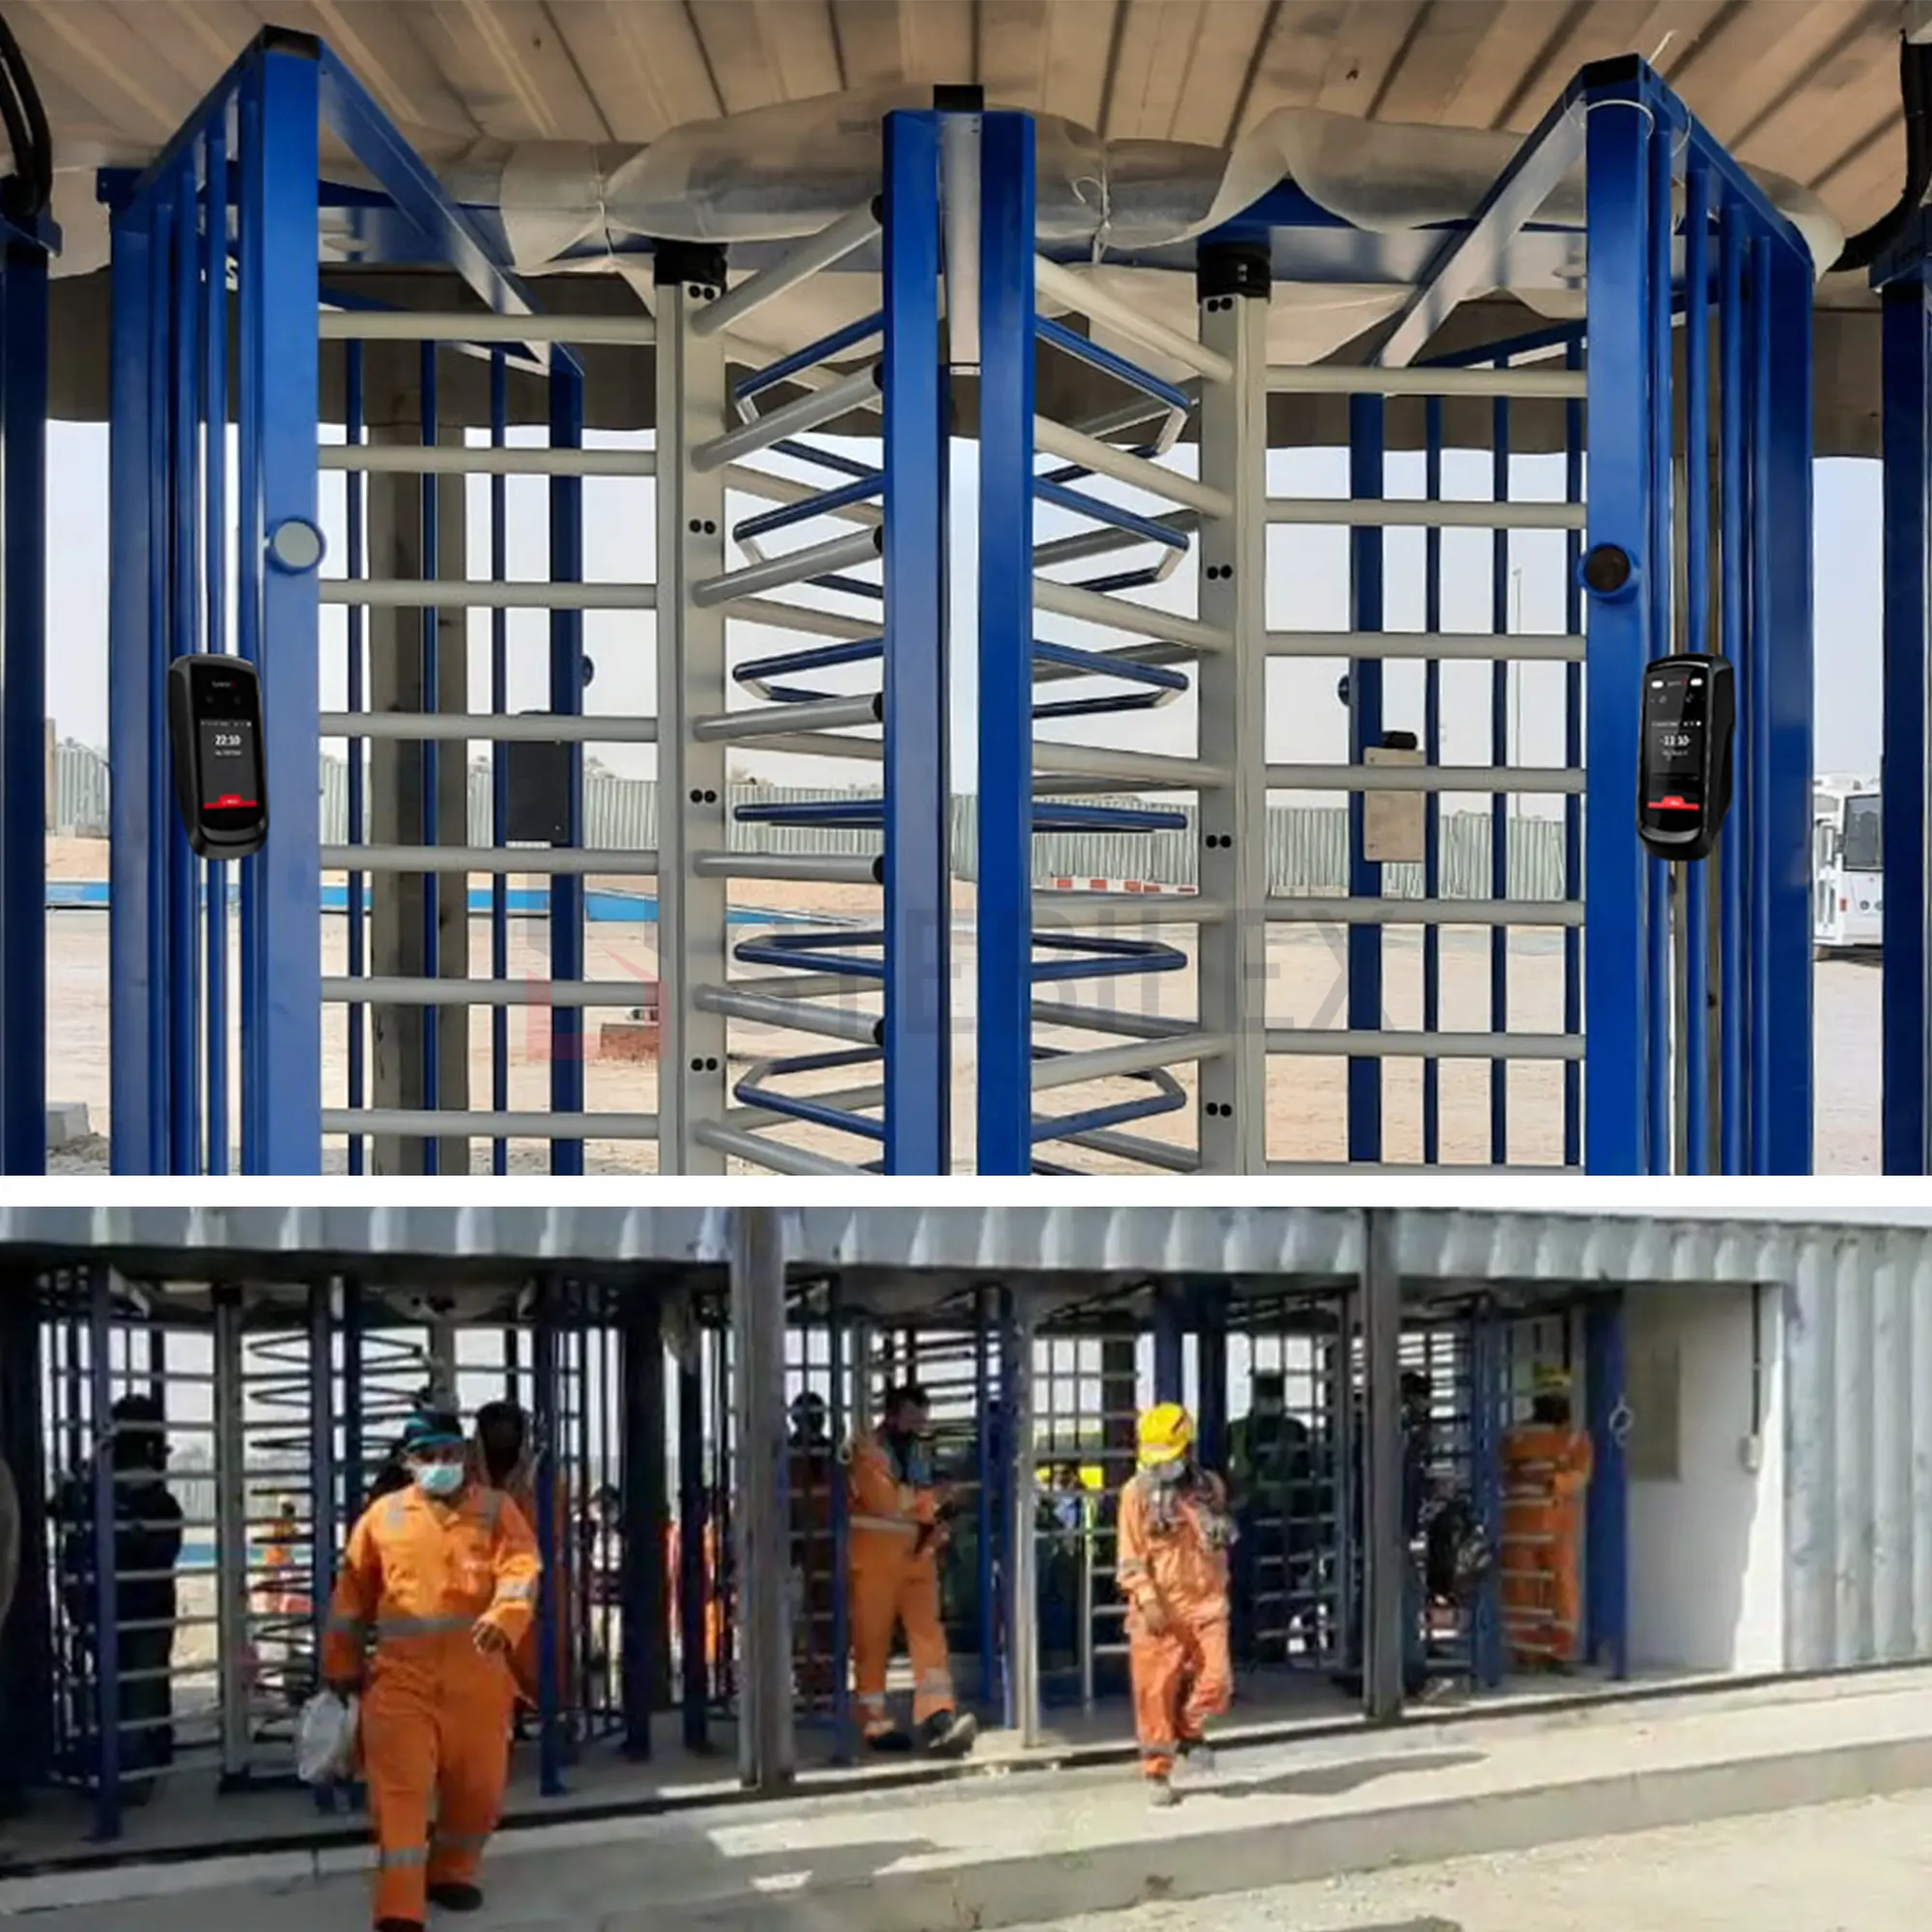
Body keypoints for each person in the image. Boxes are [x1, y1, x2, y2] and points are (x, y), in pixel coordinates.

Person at [322, 1407, 541, 1932]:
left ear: (465, 1455)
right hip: (402, 1684)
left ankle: (453, 1871)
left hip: (479, 1682)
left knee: (479, 1791)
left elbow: (522, 1569)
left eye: (451, 1454)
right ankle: (399, 1907)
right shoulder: (381, 1519)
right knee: (400, 1796)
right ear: (409, 1462)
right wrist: (340, 1665)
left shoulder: (496, 1510)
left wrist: (505, 1618)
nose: (442, 1464)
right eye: (429, 1456)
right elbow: (350, 1600)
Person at [56, 1392, 185, 1801]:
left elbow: (58, 1510)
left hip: (107, 1608)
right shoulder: (151, 1500)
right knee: (139, 1688)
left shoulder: (100, 1495)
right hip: (138, 1609)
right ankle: (134, 1766)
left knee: (121, 1687)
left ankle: (126, 1769)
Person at [846, 1382, 977, 1757]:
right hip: (875, 1561)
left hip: (919, 1557)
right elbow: (885, 1500)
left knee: (929, 1638)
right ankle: (874, 1724)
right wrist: (935, 1500)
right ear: (893, 1413)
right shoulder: (866, 1449)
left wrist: (940, 1511)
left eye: (924, 1417)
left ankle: (938, 1714)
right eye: (914, 1416)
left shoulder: (919, 1449)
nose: (921, 1424)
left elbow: (915, 1498)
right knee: (873, 1642)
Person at [1117, 1403, 1235, 1808]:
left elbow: (1221, 1538)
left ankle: (1189, 1727)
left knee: (1216, 1681)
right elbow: (1129, 1557)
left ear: (1187, 1451)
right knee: (1155, 1693)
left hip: (1205, 1603)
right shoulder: (1135, 1494)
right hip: (1158, 1609)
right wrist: (1147, 1599)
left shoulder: (1210, 1488)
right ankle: (1157, 1770)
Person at [472, 1401, 573, 1719]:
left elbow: (555, 1527)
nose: (501, 1437)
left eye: (507, 1429)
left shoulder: (541, 1474)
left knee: (541, 1663)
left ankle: (553, 1722)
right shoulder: (469, 1475)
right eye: (494, 1429)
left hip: (535, 1585)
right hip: (481, 1584)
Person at [1500, 1367, 1594, 1672]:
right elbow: (1501, 1470)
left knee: (1561, 1590)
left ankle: (1559, 1652)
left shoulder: (1575, 1437)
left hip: (1557, 1525)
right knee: (1521, 1590)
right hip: (1521, 1527)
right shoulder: (1517, 1434)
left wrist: (1553, 1479)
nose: (1555, 1402)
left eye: (1559, 1396)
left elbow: (1580, 1474)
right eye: (1550, 1396)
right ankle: (1527, 1654)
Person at [786, 1393, 838, 1703]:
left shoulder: (794, 1455)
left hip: (818, 1547)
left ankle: (821, 1682)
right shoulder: (824, 1453)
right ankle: (813, 1683)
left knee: (818, 1619)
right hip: (809, 1548)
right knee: (809, 1620)